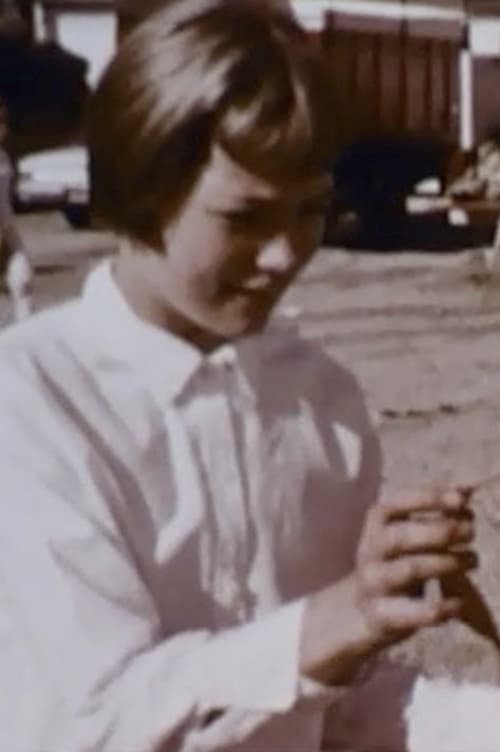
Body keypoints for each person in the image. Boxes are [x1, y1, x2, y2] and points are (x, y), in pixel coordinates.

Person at [0, 2, 498, 751]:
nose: (285, 255)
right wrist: (338, 617)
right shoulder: (33, 400)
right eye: (245, 218)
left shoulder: (320, 401)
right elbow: (88, 721)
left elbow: (334, 708)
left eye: (311, 211)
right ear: (143, 189)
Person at [0, 99, 33, 321]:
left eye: (3, 122)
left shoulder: (3, 158)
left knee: (23, 280)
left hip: (6, 230)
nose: (3, 129)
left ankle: (23, 337)